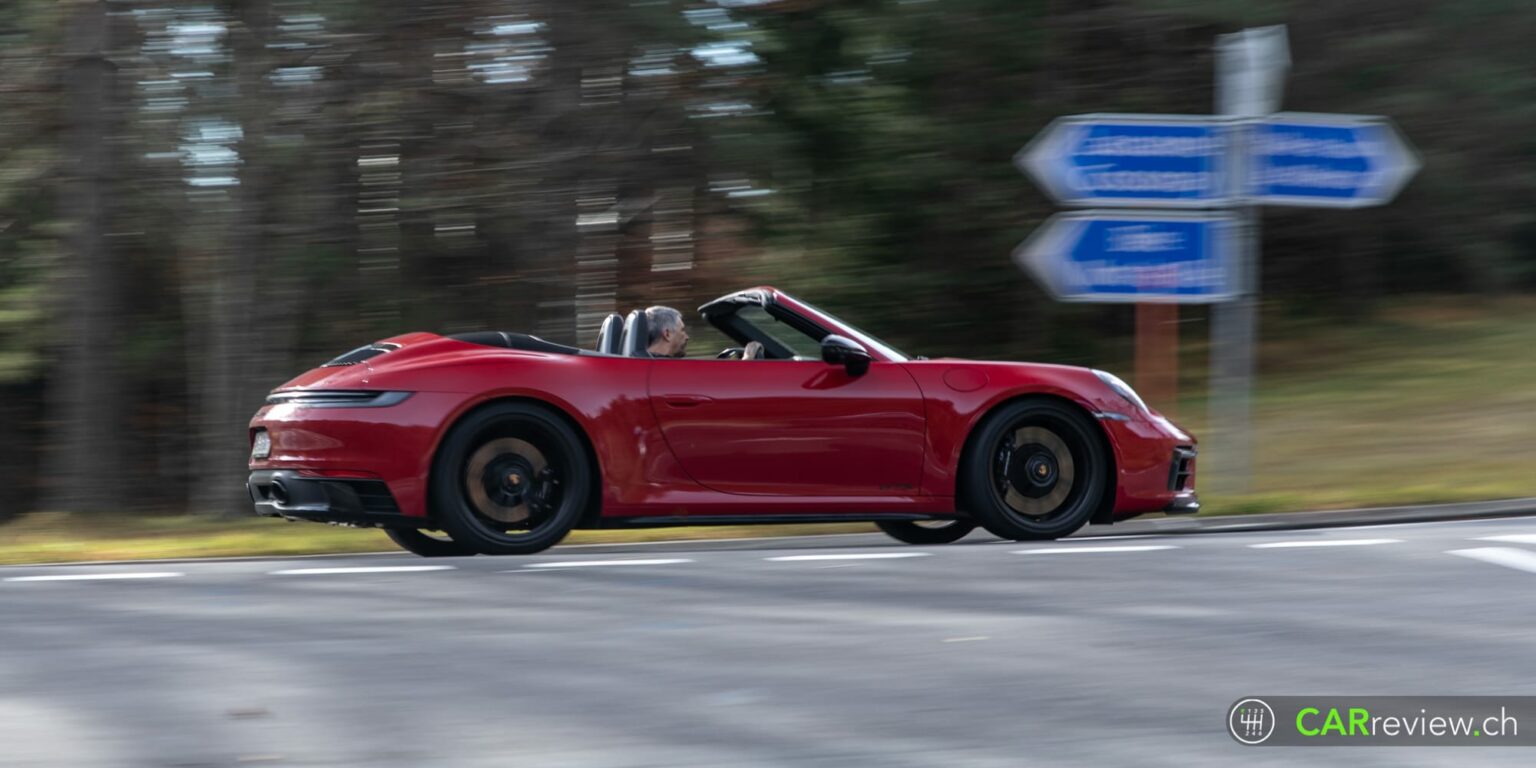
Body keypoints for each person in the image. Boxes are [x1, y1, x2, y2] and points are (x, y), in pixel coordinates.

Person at [644, 305, 762, 359]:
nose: (687, 337)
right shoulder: (666, 370)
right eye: (682, 330)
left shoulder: (649, 364)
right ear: (667, 334)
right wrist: (747, 360)